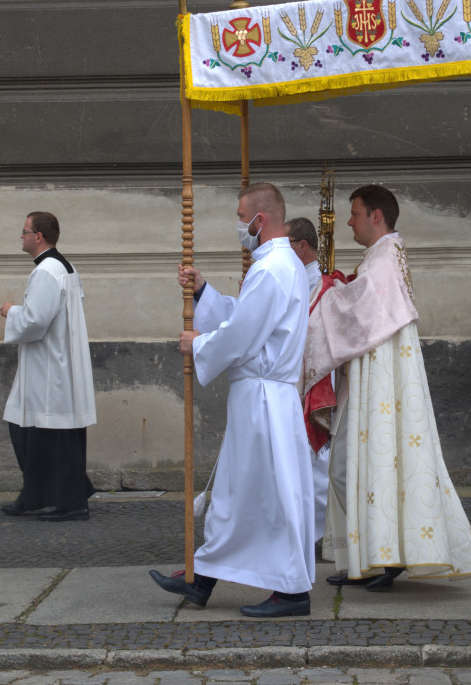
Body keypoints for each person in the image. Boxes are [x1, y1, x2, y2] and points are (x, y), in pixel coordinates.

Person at [303, 185, 471, 591]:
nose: (349, 221)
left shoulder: (385, 259)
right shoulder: (382, 256)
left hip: (381, 381)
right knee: (352, 466)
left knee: (366, 464)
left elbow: (357, 313)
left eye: (355, 213)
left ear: (376, 216)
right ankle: (371, 558)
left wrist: (327, 292)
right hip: (372, 376)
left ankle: (385, 558)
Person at [149, 183, 315, 618]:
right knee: (236, 493)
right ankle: (201, 577)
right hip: (261, 397)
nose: (239, 226)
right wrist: (204, 291)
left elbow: (241, 336)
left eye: (242, 218)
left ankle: (292, 592)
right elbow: (244, 319)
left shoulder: (272, 268)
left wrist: (199, 343)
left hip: (263, 399)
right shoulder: (278, 265)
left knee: (269, 496)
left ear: (260, 220)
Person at [0, 211, 97, 522]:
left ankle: (70, 502)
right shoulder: (64, 267)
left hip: (49, 365)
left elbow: (35, 320)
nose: (22, 236)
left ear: (39, 236)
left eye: (25, 231)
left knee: (48, 432)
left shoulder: (46, 271)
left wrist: (11, 311)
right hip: (56, 360)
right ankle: (36, 495)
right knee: (29, 427)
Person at [285, 216, 333, 543]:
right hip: (292, 378)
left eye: (286, 245)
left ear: (302, 246)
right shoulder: (292, 280)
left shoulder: (322, 287)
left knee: (317, 459)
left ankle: (320, 533)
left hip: (316, 380)